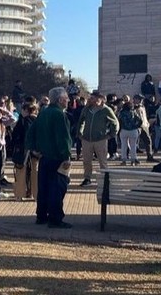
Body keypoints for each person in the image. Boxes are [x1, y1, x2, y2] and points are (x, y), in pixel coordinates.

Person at [27, 87, 73, 228]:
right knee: (57, 189)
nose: (68, 100)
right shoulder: (59, 115)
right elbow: (63, 137)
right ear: (60, 100)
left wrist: (34, 149)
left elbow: (31, 131)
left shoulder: (43, 112)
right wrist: (66, 156)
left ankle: (41, 216)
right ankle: (55, 218)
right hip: (57, 157)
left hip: (44, 156)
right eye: (66, 98)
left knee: (44, 188)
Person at [76, 92, 119, 186]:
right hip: (87, 139)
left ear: (100, 99)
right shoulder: (87, 109)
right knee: (86, 161)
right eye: (91, 98)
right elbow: (81, 121)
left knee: (102, 161)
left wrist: (111, 134)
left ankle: (105, 179)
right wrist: (79, 133)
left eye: (94, 98)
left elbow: (115, 123)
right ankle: (87, 178)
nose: (91, 100)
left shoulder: (106, 110)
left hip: (100, 139)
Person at [9, 103, 39, 201]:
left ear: (25, 110)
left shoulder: (22, 121)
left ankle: (19, 194)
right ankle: (36, 194)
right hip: (36, 150)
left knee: (20, 171)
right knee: (35, 172)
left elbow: (15, 135)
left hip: (22, 149)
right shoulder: (38, 121)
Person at [117, 100, 141, 166]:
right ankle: (133, 160)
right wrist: (137, 126)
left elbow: (118, 121)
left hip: (124, 130)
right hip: (133, 130)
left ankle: (124, 160)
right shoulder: (133, 112)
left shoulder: (121, 113)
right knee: (133, 146)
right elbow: (140, 120)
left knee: (123, 146)